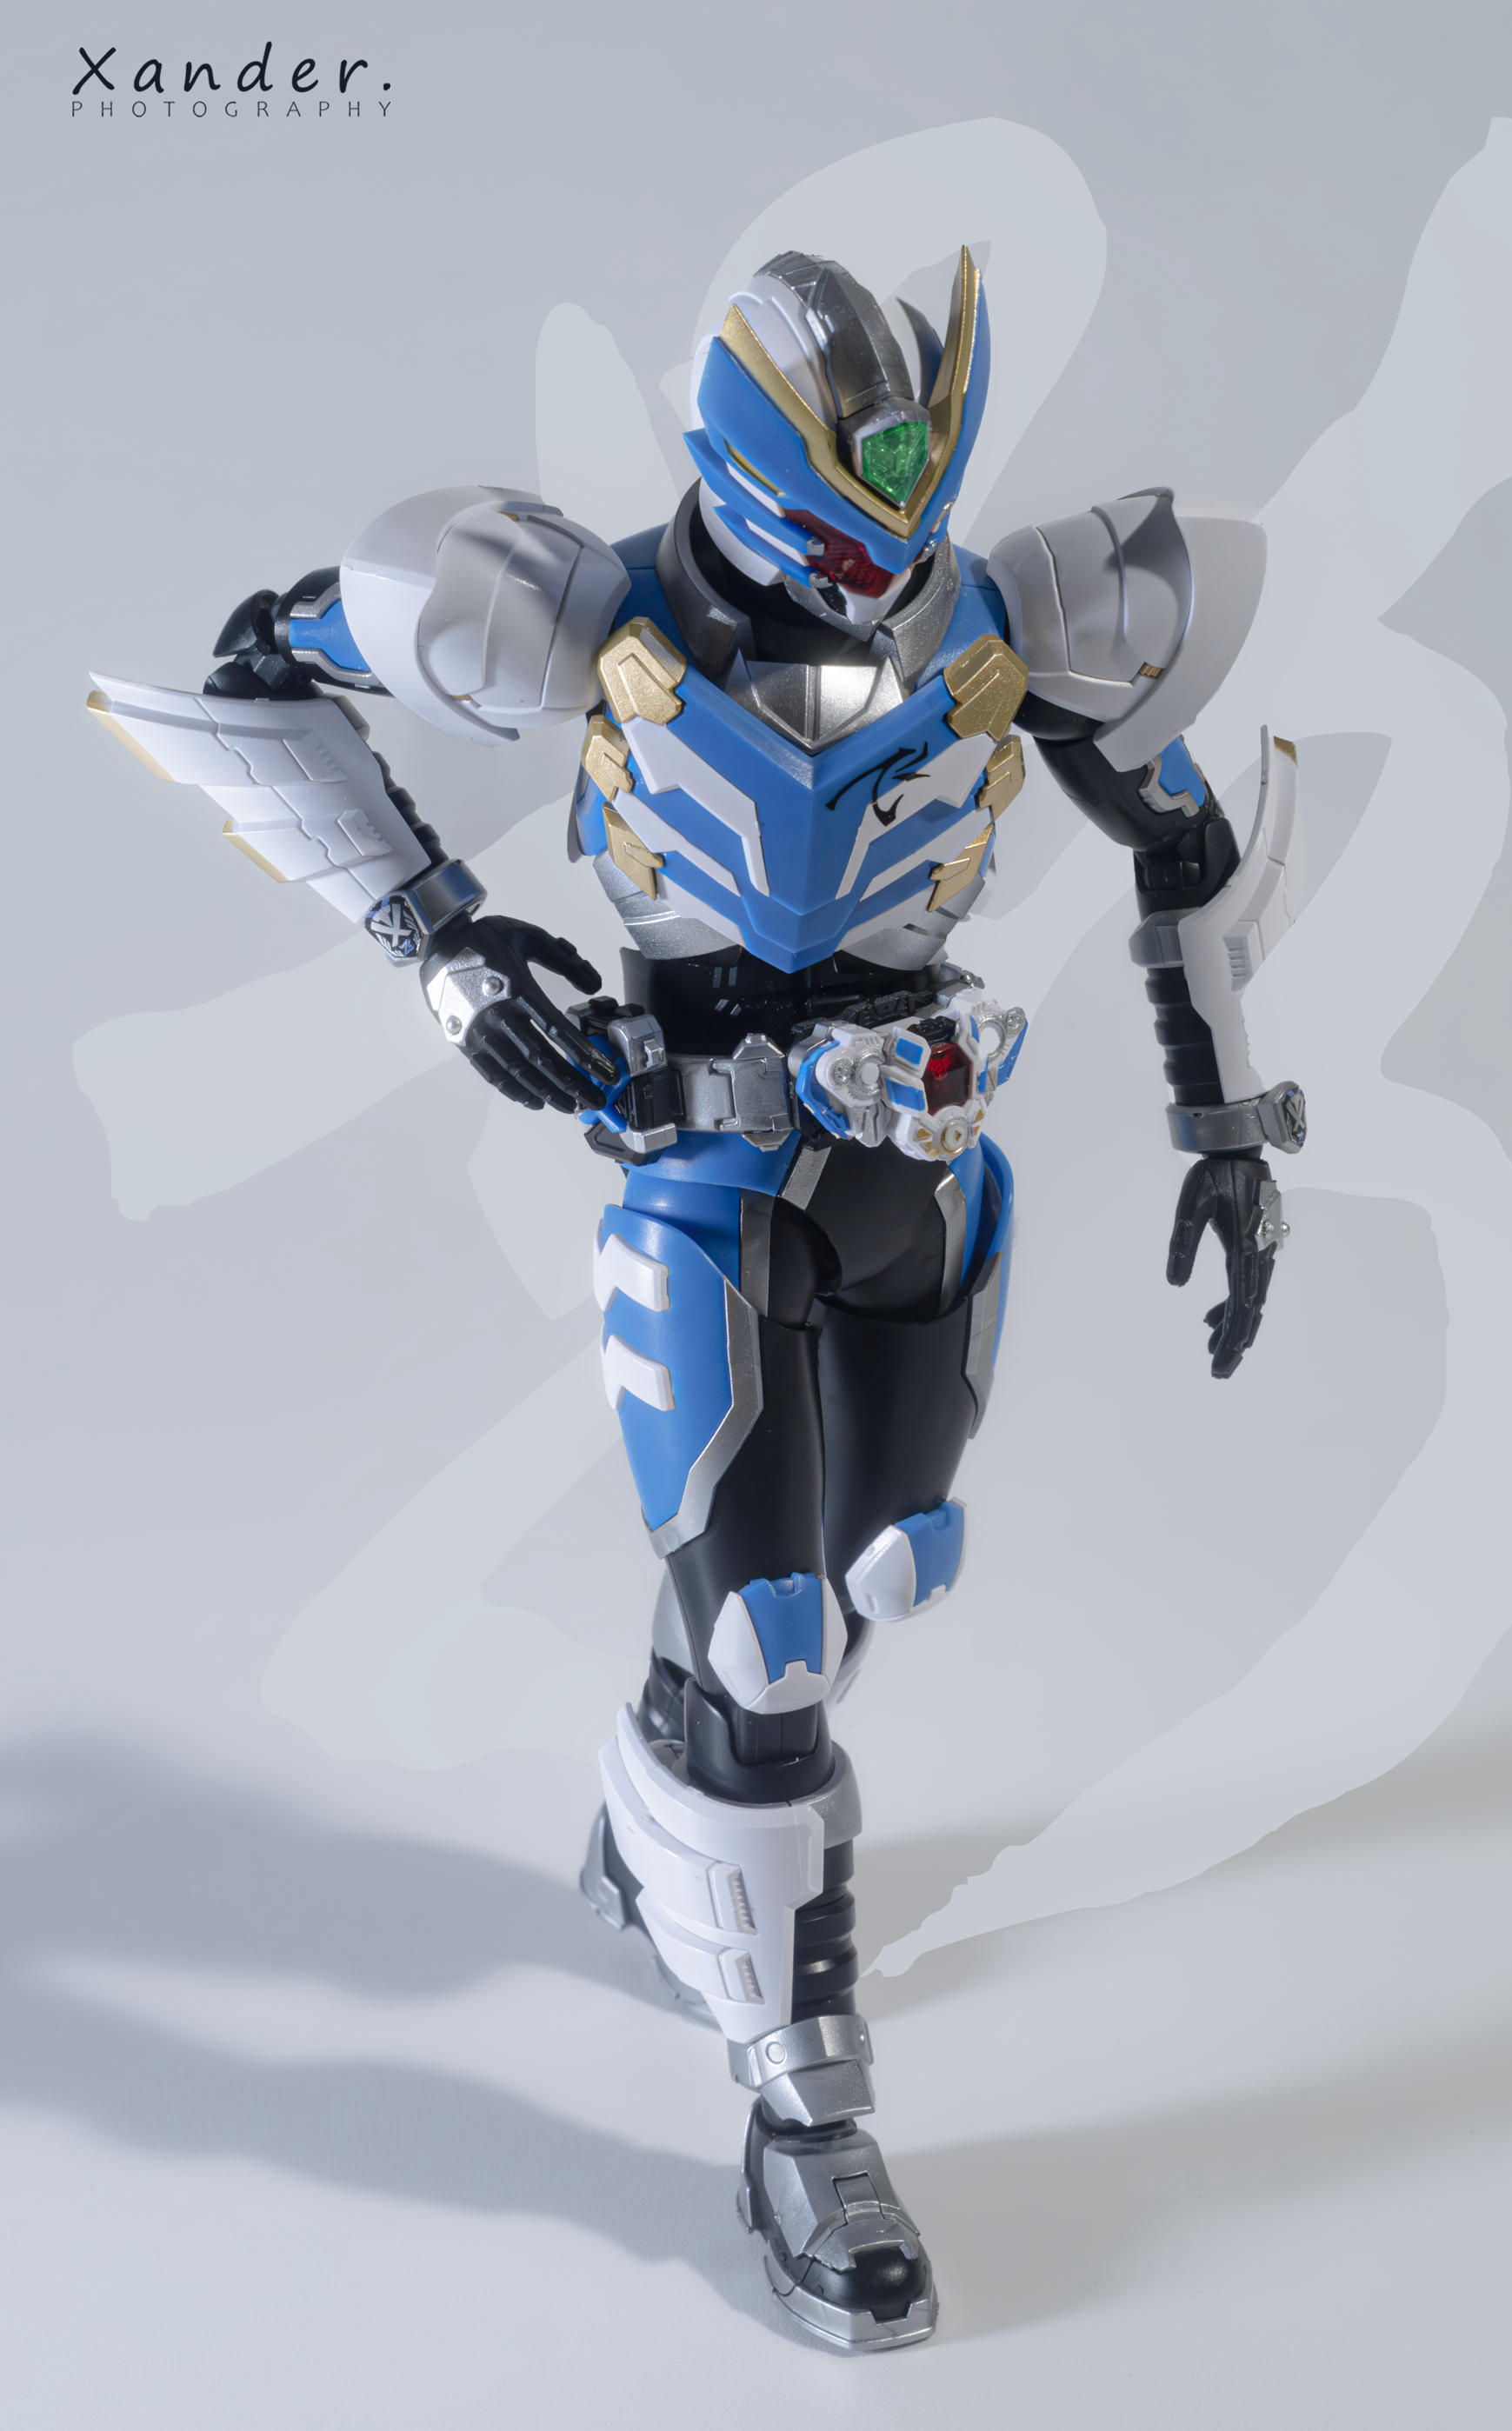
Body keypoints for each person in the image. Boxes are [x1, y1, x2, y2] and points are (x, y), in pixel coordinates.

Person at [89, 244, 1304, 2350]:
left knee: (872, 1578)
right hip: (703, 1191)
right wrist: (445, 943)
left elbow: (1179, 839)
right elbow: (263, 669)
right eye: (835, 531)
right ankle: (801, 2109)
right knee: (770, 1650)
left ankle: (661, 1825)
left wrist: (1227, 1127)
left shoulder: (1014, 622)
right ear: (746, 470)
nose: (867, 593)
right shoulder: (569, 608)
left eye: (902, 525)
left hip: (927, 1183)